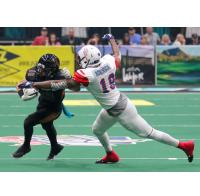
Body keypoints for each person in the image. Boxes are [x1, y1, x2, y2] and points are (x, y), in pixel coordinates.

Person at [19, 34, 194, 164]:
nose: (79, 62)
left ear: (87, 59)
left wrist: (37, 85)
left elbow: (63, 84)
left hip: (122, 110)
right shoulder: (107, 61)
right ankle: (111, 154)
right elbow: (116, 53)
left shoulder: (87, 73)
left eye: (81, 59)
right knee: (97, 129)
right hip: (112, 105)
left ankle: (184, 146)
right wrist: (111, 39)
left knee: (150, 133)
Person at [13, 54, 74, 160]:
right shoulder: (33, 72)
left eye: (42, 68)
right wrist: (22, 94)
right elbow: (19, 84)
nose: (38, 70)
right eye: (39, 66)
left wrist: (69, 79)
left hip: (54, 107)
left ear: (51, 70)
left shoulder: (60, 76)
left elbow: (72, 88)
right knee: (47, 125)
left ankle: (26, 146)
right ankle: (55, 147)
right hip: (43, 102)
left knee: (28, 122)